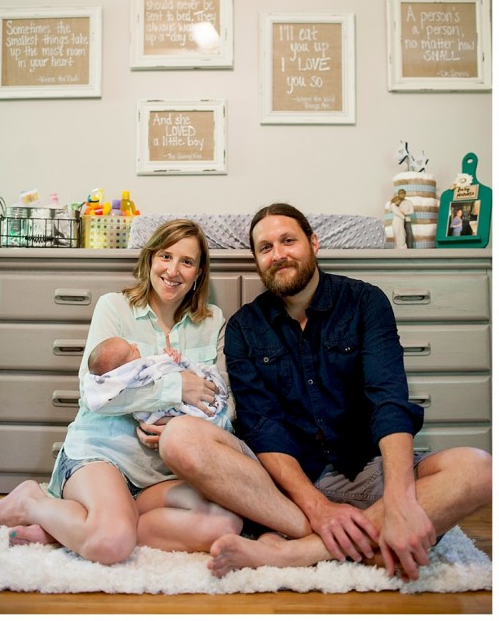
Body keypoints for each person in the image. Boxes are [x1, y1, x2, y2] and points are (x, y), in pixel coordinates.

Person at [156, 203, 491, 581]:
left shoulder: (366, 302)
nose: (278, 254)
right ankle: (348, 534)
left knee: (479, 469)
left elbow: (389, 399)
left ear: (313, 243)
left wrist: (399, 499)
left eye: (288, 241)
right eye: (265, 248)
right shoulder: (244, 328)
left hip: (365, 471)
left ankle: (298, 551)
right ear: (257, 261)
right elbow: (262, 426)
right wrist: (317, 508)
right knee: (179, 438)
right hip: (284, 489)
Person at [0, 219, 245, 565]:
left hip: (161, 474)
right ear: (150, 259)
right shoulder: (115, 308)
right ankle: (31, 502)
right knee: (112, 544)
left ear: (199, 272)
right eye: (166, 256)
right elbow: (94, 393)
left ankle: (82, 523)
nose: (173, 270)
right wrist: (175, 388)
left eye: (187, 262)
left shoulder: (212, 320)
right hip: (103, 455)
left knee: (226, 522)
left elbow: (225, 403)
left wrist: (183, 430)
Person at [84, 336, 228, 424]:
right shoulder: (131, 378)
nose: (135, 345)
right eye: (131, 350)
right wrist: (175, 386)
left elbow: (162, 366)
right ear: (127, 368)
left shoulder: (215, 317)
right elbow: (94, 399)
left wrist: (172, 358)